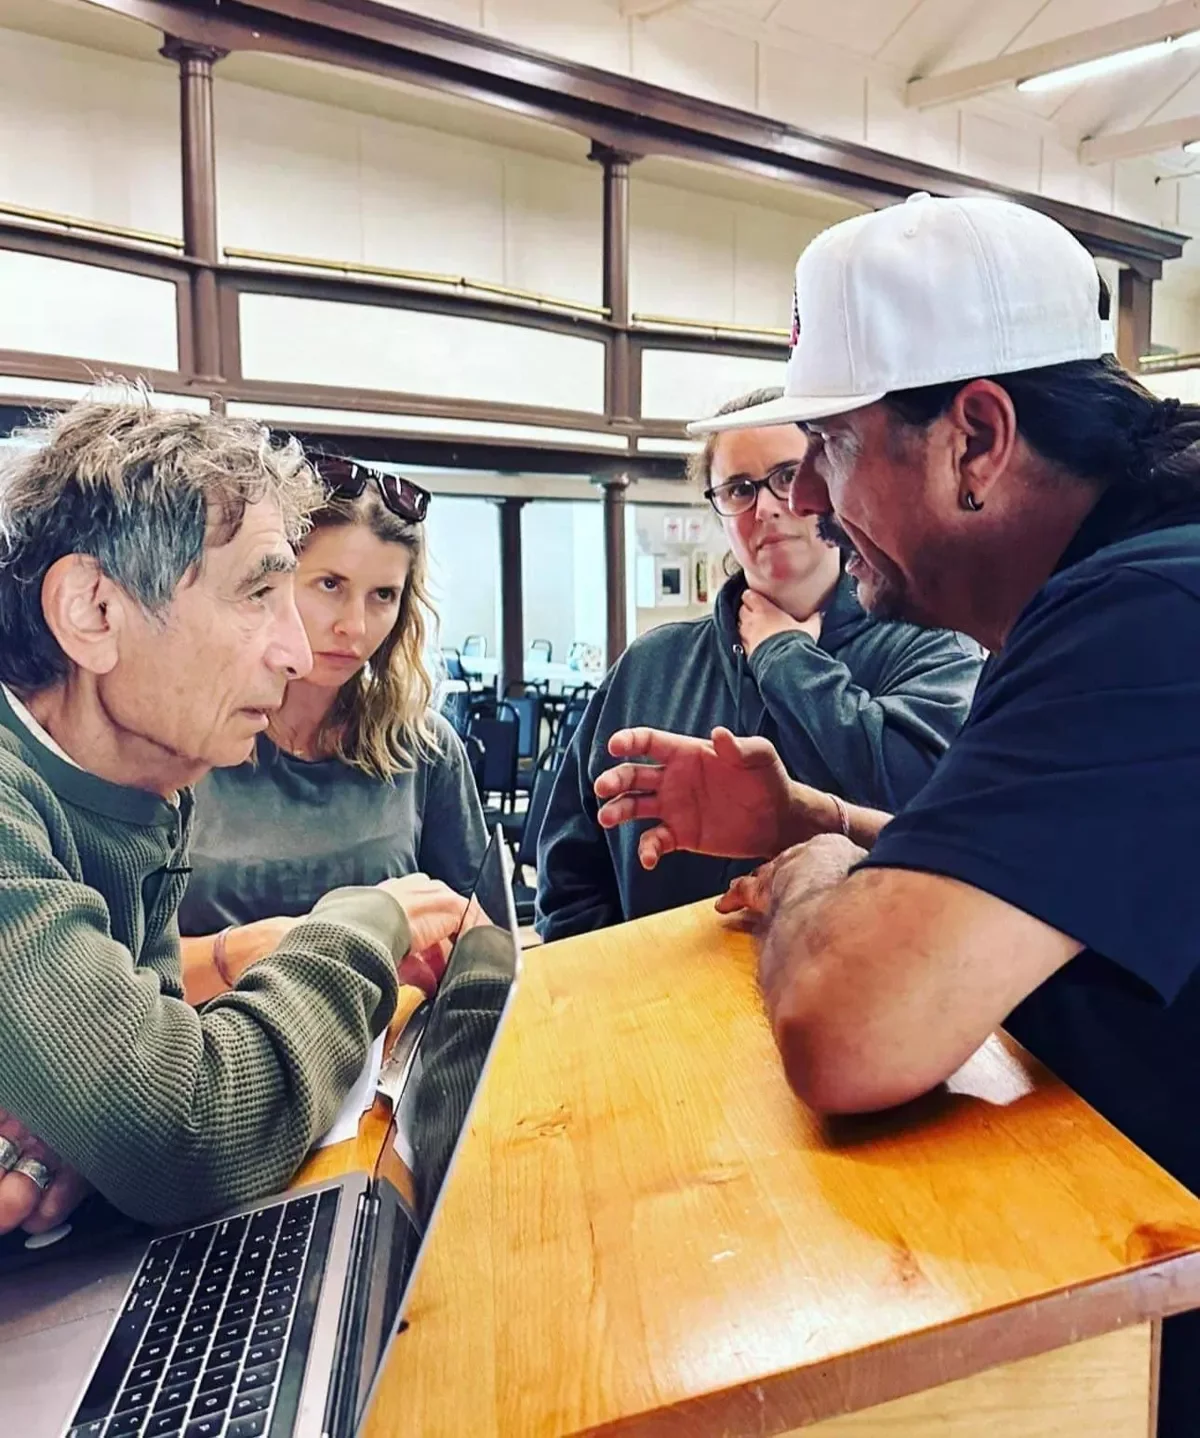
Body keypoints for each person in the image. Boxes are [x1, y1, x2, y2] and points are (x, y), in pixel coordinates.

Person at [593, 192, 1200, 1436]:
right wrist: (809, 813)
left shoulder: (1150, 612)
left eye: (828, 443)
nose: (806, 499)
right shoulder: (1127, 583)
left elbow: (850, 1028)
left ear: (976, 435)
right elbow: (1029, 886)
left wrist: (812, 863)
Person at [0, 400, 470, 1236]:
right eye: (261, 592)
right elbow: (187, 1136)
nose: (298, 652)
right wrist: (368, 920)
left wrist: (86, 1125)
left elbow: (149, 1078)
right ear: (93, 612)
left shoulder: (148, 788)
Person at [536, 390, 981, 940]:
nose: (766, 506)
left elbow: (920, 797)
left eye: (788, 475)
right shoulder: (649, 666)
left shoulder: (934, 645)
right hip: (656, 1011)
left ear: (831, 481)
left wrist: (784, 656)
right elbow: (571, 869)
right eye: (740, 488)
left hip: (857, 1007)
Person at [177, 455, 486, 1003]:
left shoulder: (424, 747)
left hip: (383, 1065)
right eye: (328, 584)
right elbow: (113, 977)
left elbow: (478, 937)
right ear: (267, 581)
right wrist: (282, 946)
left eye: (382, 596)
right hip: (219, 1065)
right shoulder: (183, 741)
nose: (354, 626)